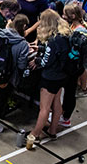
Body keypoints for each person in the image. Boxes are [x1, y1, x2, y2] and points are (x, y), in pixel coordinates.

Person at [29, 10, 71, 147]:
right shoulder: (65, 34)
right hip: (63, 75)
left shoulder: (53, 40)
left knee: (44, 108)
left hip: (50, 77)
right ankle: (52, 131)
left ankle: (35, 134)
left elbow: (46, 61)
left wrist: (37, 61)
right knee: (57, 102)